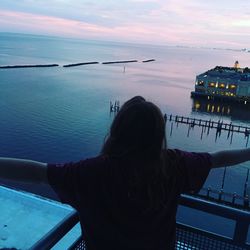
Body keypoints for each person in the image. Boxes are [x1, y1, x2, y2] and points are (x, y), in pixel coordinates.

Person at [0, 96, 250, 250]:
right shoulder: (173, 164)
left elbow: (38, 173)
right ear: (157, 135)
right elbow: (217, 158)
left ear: (118, 129)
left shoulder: (93, 172)